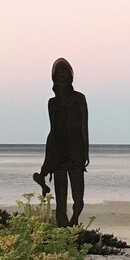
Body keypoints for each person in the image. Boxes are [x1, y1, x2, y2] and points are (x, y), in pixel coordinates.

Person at [32, 58, 89, 226]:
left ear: (70, 76)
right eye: (59, 74)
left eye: (65, 73)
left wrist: (86, 151)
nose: (62, 76)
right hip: (58, 152)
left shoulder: (80, 99)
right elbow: (53, 130)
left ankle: (74, 223)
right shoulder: (53, 103)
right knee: (61, 199)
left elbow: (84, 127)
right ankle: (63, 231)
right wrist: (47, 160)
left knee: (78, 199)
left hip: (76, 152)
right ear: (55, 78)